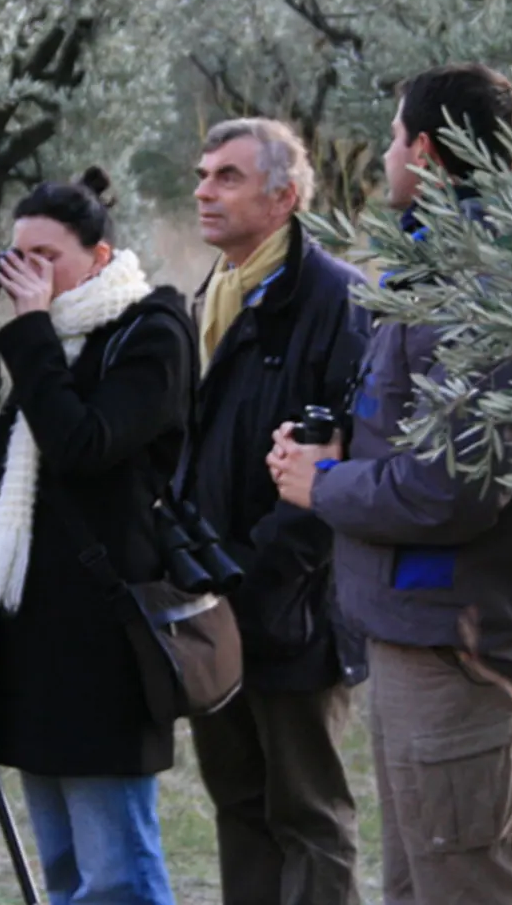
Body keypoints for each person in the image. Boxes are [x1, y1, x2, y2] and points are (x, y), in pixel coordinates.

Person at [268, 64, 512, 905]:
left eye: (397, 136)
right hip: (412, 633)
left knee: (467, 885)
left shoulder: (485, 288)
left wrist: (324, 485)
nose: (386, 154)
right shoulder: (438, 270)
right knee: (417, 885)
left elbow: (453, 488)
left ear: (430, 153)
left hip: (453, 640)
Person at [0, 168, 194, 905]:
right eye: (17, 256)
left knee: (117, 872)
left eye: (45, 256)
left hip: (106, 633)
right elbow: (1, 490)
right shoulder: (46, 339)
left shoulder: (152, 333)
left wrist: (24, 332)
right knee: (62, 869)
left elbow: (85, 445)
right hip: (33, 631)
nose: (27, 273)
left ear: (100, 252)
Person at [182, 119, 371, 905]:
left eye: (227, 176)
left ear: (283, 196)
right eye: (202, 174)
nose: (203, 190)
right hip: (213, 605)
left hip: (294, 612)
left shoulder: (337, 300)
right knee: (241, 810)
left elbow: (340, 467)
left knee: (309, 816)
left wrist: (254, 581)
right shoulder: (215, 294)